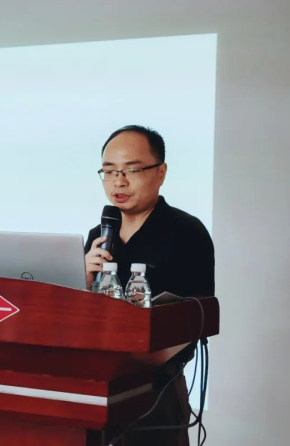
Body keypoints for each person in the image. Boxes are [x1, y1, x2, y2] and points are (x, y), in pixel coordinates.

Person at [84, 125, 215, 446]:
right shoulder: (99, 235)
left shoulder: (186, 232)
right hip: (95, 388)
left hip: (157, 393)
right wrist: (82, 278)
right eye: (109, 171)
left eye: (132, 170)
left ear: (161, 173)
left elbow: (194, 316)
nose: (118, 181)